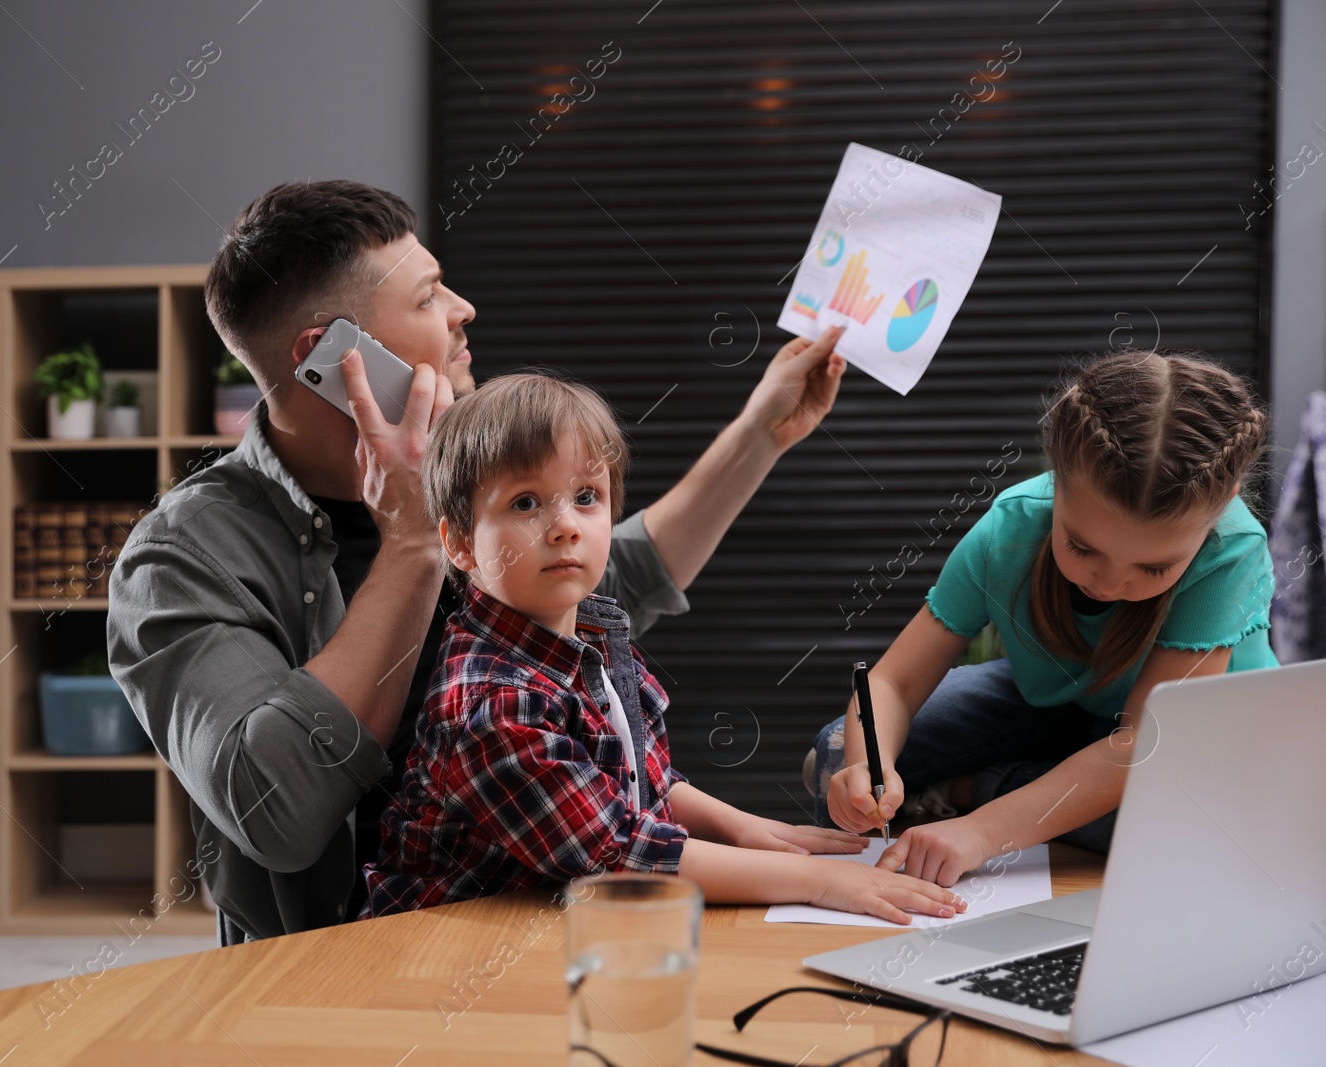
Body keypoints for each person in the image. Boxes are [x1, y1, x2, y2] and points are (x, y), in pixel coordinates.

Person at [106, 180, 853, 943]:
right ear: (329, 358)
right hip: (337, 972)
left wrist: (763, 429)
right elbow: (278, 817)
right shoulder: (179, 559)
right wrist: (410, 541)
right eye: (429, 296)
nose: (464, 309)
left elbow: (615, 575)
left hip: (543, 924)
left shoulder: (464, 464)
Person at [362, 374, 967, 924]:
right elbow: (618, 852)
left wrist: (747, 828)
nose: (565, 524)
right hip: (445, 945)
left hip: (563, 920)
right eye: (525, 502)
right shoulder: (492, 701)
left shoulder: (592, 635)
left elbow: (638, 780)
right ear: (460, 545)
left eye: (586, 496)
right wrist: (814, 881)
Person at [809, 350, 1275, 887]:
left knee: (1184, 825)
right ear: (1057, 478)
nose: (1108, 583)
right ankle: (1030, 790)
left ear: (1224, 505)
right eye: (1081, 546)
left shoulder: (1231, 550)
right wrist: (869, 762)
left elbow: (1141, 742)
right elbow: (893, 680)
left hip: (1181, 745)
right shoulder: (1012, 526)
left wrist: (981, 830)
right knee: (836, 752)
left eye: (1153, 567)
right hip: (1060, 707)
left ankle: (972, 789)